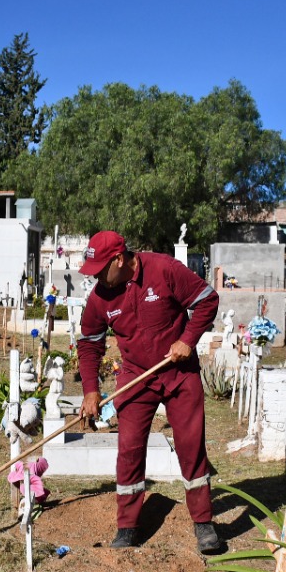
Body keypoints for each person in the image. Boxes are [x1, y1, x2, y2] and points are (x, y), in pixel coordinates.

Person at [75, 230, 224, 553]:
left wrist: (188, 339)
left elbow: (207, 300)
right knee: (128, 449)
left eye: (101, 270)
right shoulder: (100, 297)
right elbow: (89, 345)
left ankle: (203, 522)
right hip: (136, 376)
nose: (97, 278)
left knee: (190, 446)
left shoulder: (164, 269)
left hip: (178, 373)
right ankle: (127, 527)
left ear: (119, 259)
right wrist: (90, 390)